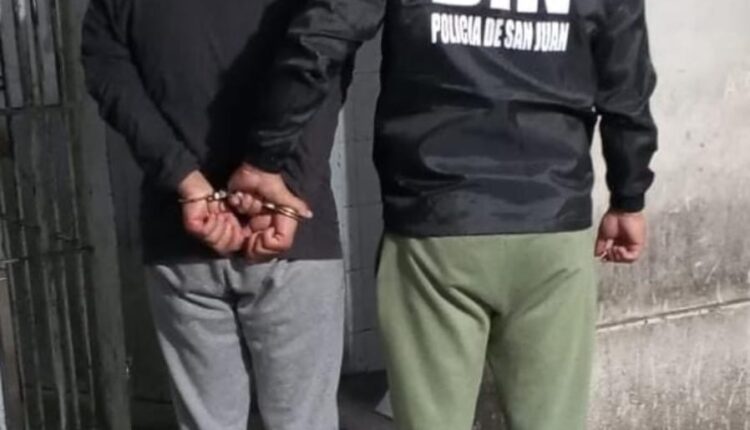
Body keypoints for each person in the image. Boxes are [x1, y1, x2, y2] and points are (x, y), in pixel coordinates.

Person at [228, 0, 658, 429]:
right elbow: (628, 88)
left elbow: (321, 38)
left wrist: (266, 157)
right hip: (552, 223)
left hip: (435, 226)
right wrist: (628, 197)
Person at [81, 1, 350, 428]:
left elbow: (107, 73)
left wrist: (184, 178)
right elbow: (329, 59)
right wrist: (290, 186)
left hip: (183, 232)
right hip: (291, 234)